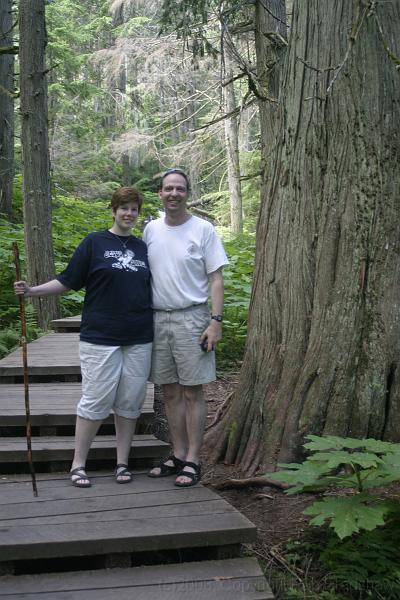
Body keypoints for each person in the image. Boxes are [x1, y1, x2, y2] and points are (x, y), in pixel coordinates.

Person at [14, 187, 153, 488]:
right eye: (124, 208)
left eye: (134, 209)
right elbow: (68, 280)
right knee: (96, 400)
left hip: (139, 336)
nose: (129, 214)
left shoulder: (143, 248)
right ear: (113, 209)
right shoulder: (94, 242)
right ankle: (78, 464)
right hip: (100, 336)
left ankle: (122, 462)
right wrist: (32, 291)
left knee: (130, 402)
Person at [143, 168, 229, 487]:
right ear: (160, 193)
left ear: (187, 194)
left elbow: (216, 278)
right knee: (168, 391)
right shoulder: (150, 230)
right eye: (168, 188)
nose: (174, 194)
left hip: (193, 318)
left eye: (180, 188)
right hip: (157, 319)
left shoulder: (203, 229)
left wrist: (215, 322)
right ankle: (177, 453)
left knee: (193, 391)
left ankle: (194, 458)